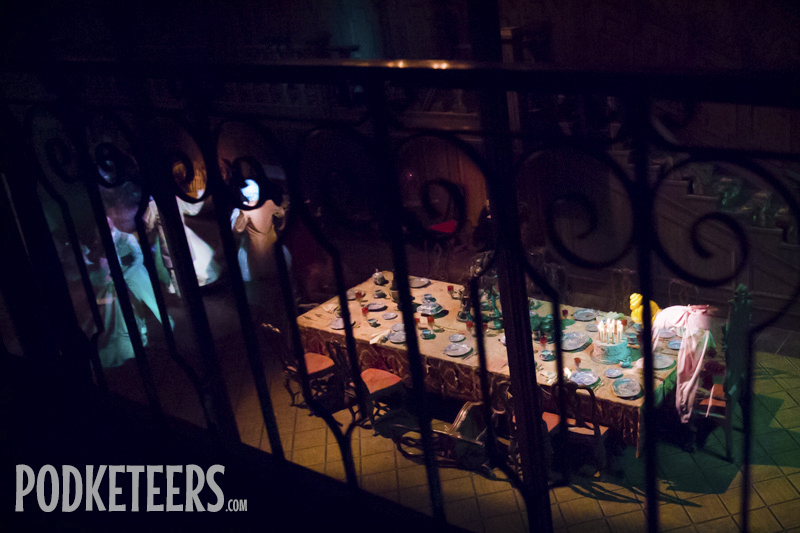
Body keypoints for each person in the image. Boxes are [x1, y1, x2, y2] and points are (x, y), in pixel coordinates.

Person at [230, 178, 291, 326]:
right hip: (265, 247)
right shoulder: (263, 205)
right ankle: (273, 318)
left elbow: (237, 230)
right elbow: (282, 213)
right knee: (269, 283)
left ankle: (271, 318)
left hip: (260, 249)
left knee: (265, 285)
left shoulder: (247, 208)